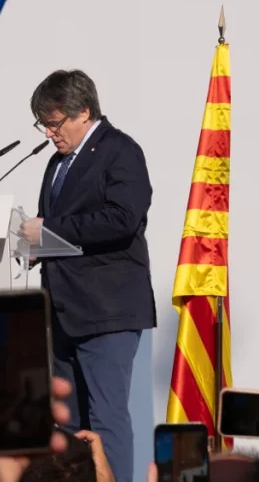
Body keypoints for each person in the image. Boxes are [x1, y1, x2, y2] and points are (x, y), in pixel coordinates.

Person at [21, 69, 156, 482]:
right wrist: (30, 245)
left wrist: (48, 231)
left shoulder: (119, 150)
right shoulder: (56, 164)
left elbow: (123, 218)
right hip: (62, 311)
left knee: (106, 413)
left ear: (84, 111)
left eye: (55, 122)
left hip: (107, 309)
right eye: (43, 123)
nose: (49, 133)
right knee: (68, 418)